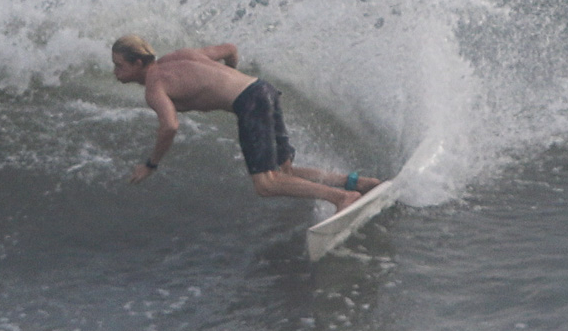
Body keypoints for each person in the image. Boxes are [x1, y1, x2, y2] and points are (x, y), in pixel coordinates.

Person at [111, 35, 378, 212]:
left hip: (250, 102)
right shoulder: (182, 55)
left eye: (119, 66)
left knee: (266, 184)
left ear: (138, 63)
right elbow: (230, 49)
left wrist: (150, 165)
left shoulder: (155, 87)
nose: (115, 73)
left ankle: (341, 198)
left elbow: (170, 126)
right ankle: (358, 183)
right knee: (285, 170)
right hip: (263, 89)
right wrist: (233, 77)